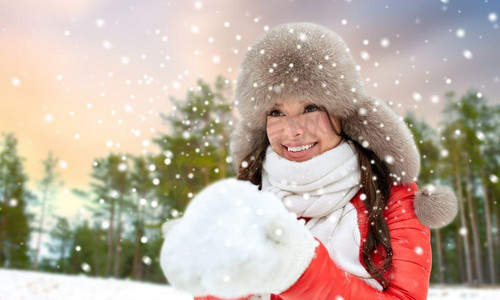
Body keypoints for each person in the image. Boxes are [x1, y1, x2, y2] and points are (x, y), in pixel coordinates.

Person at [160, 22, 458, 300]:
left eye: (310, 107)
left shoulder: (390, 195)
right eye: (276, 112)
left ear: (342, 114)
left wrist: (300, 270)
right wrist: (207, 267)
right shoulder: (250, 194)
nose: (293, 130)